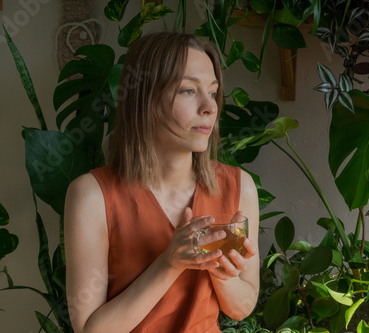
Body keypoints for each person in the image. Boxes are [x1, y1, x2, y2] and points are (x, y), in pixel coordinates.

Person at [64, 32, 260, 333]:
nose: (210, 107)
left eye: (212, 91)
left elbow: (241, 308)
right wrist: (171, 263)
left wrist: (222, 274)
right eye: (188, 91)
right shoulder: (90, 196)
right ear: (146, 99)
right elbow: (91, 330)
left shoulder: (239, 186)